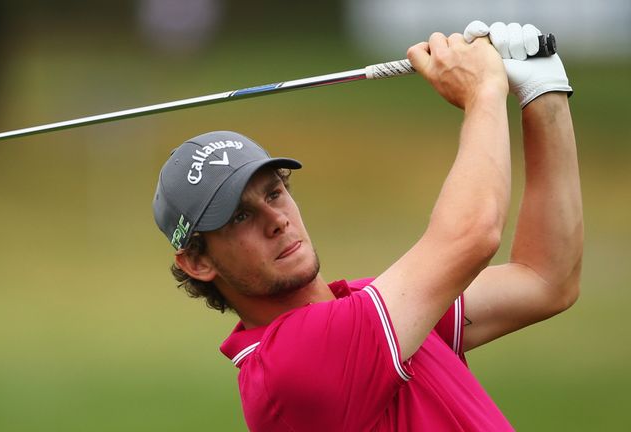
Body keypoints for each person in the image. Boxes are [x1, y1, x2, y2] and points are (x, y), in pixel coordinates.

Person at [152, 20, 582, 431]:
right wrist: (484, 91)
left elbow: (545, 279)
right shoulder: (290, 364)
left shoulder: (367, 306)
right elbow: (471, 236)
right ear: (197, 261)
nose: (277, 220)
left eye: (274, 193)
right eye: (240, 216)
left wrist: (543, 92)